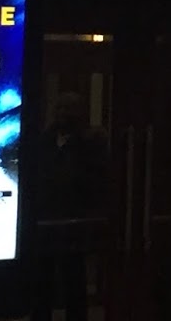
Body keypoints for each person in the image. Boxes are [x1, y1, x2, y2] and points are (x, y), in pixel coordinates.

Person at [31, 92, 106, 321]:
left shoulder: (88, 142)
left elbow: (95, 178)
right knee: (42, 280)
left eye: (69, 109)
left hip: (74, 219)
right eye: (61, 108)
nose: (64, 114)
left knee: (74, 279)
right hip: (45, 219)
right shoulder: (44, 140)